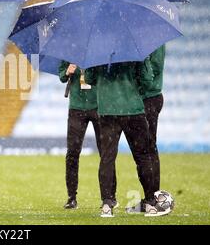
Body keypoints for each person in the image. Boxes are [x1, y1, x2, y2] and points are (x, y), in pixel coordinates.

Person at [85, 59, 170, 217]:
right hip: (133, 109)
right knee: (143, 156)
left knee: (107, 158)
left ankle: (107, 204)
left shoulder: (98, 50)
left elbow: (89, 79)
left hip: (107, 109)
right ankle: (151, 202)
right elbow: (147, 80)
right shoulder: (134, 50)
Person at [59, 61, 117, 209]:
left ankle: (110, 197)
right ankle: (71, 197)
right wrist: (67, 72)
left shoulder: (99, 52)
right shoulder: (68, 53)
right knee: (72, 153)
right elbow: (62, 77)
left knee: (106, 153)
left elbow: (108, 75)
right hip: (76, 109)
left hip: (99, 106)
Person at [127, 45, 165, 213]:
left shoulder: (152, 40)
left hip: (148, 98)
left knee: (146, 150)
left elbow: (154, 69)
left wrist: (136, 85)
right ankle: (151, 197)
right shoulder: (148, 36)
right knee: (144, 151)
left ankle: (152, 198)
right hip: (143, 98)